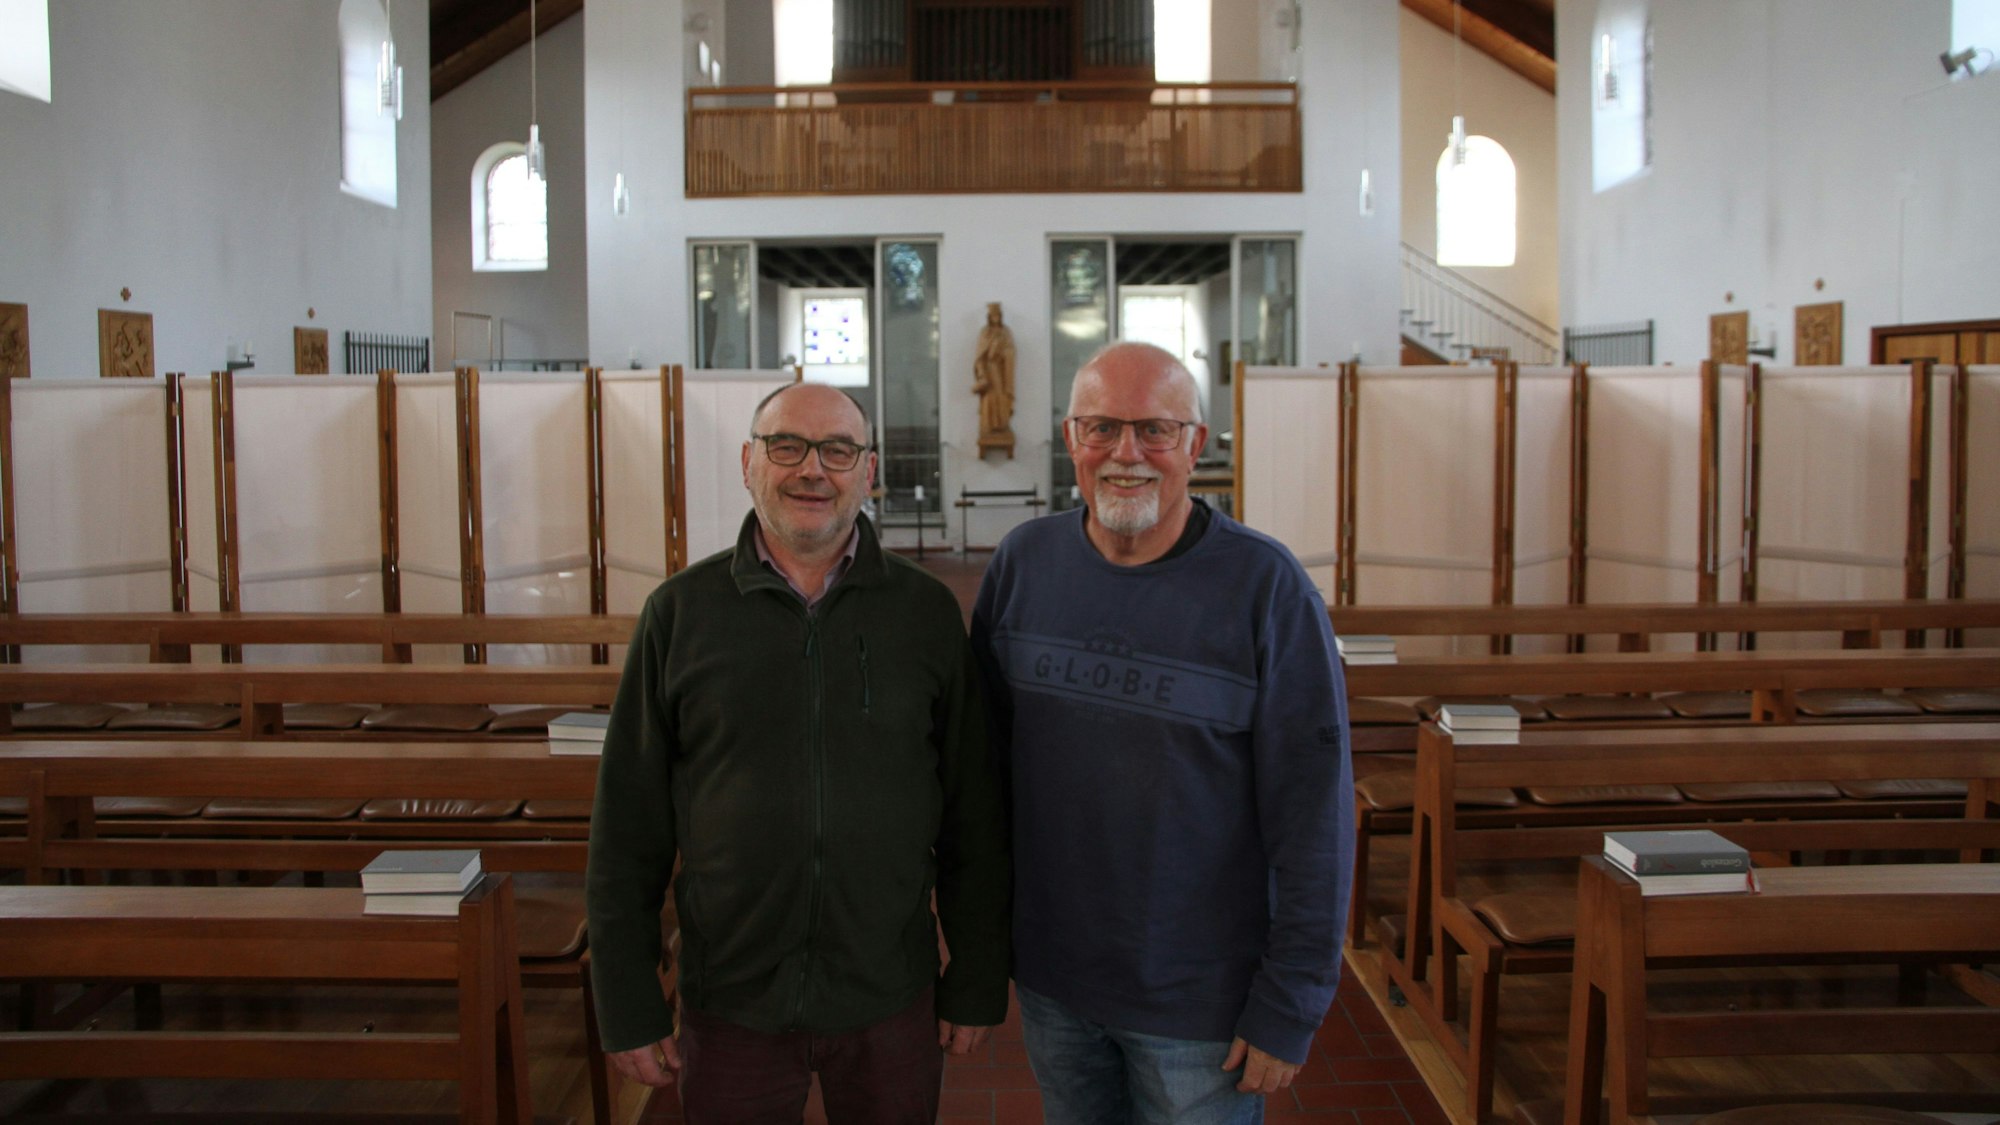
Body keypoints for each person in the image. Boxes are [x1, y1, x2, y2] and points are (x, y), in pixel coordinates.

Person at [587, 382, 1011, 1124]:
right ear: (750, 462)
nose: (813, 468)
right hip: (733, 1001)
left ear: (868, 472)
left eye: (838, 450)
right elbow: (627, 827)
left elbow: (973, 811)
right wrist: (625, 996)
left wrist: (974, 975)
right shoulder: (681, 614)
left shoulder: (924, 613)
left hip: (888, 995)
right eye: (787, 446)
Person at [972, 342, 1352, 1125]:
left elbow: (1314, 816)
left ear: (1195, 444)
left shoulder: (1266, 588)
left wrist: (1292, 1001)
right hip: (1055, 982)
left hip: (1198, 1001)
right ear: (1070, 437)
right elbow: (984, 778)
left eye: (1154, 429)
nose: (1126, 453)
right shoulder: (1022, 565)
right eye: (1101, 427)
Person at [973, 302, 1016, 453]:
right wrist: (982, 374)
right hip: (988, 370)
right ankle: (989, 426)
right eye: (993, 316)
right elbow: (979, 356)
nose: (996, 319)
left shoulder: (1006, 332)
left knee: (1001, 397)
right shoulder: (985, 332)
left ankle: (1001, 425)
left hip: (1001, 370)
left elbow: (1011, 350)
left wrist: (1003, 353)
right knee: (989, 399)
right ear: (989, 317)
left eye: (998, 316)